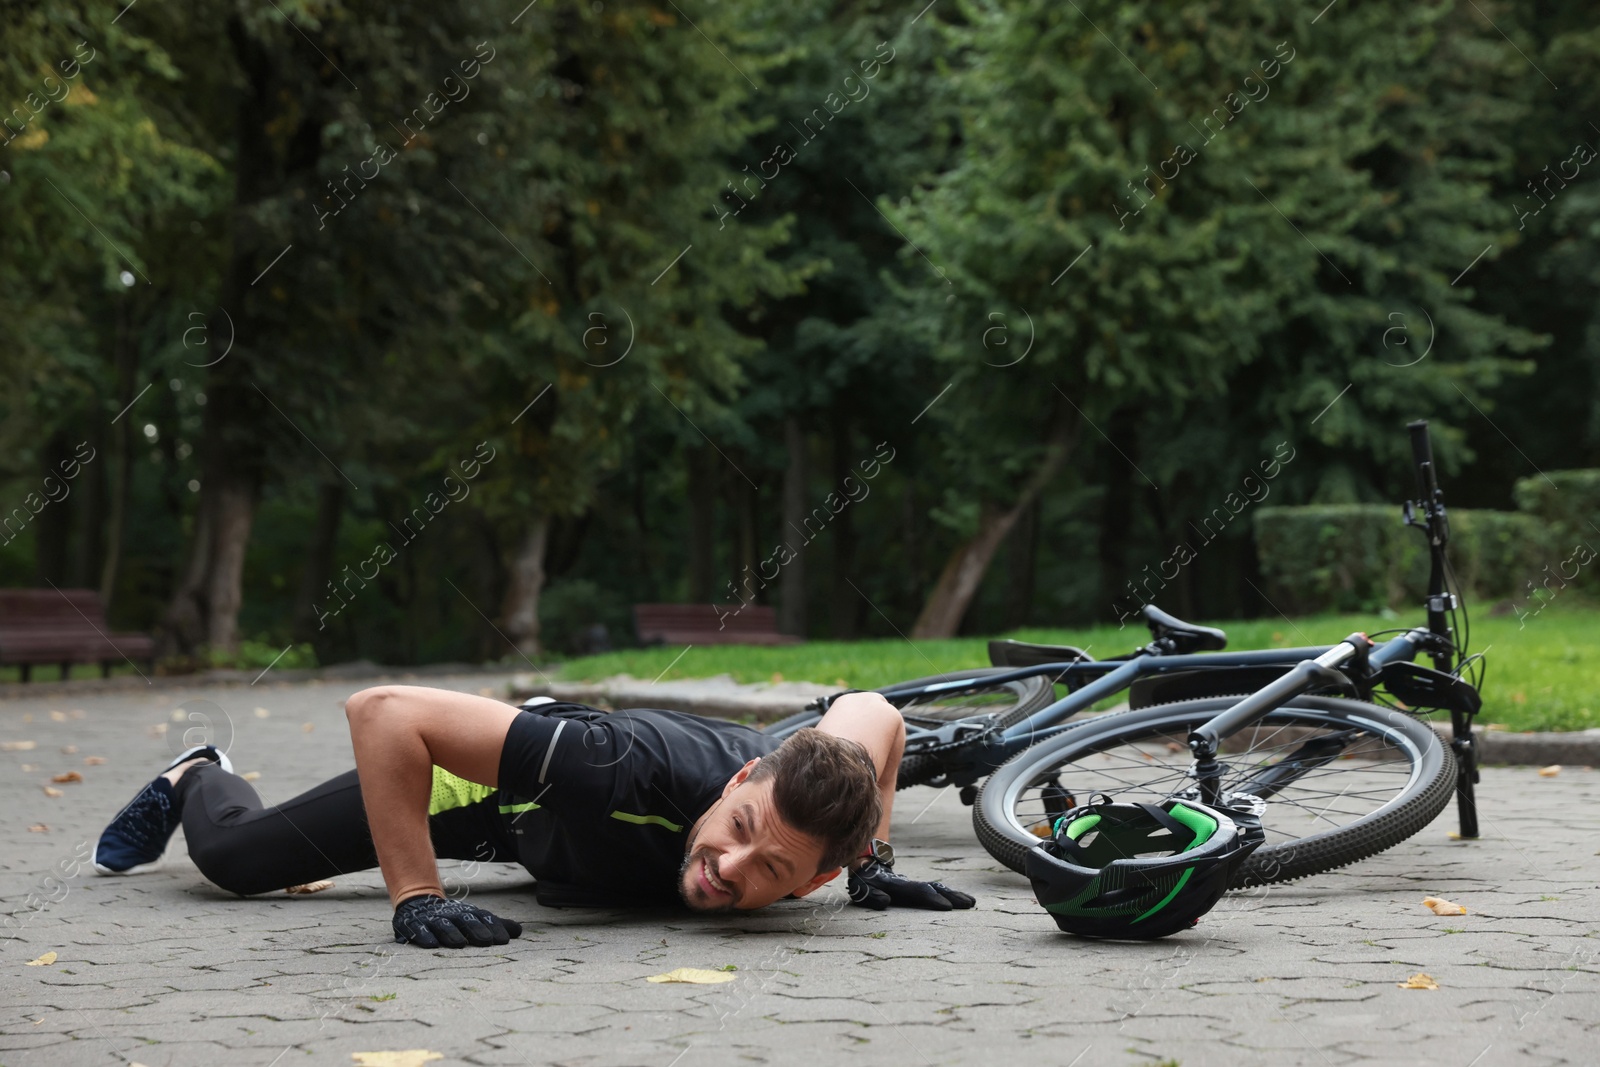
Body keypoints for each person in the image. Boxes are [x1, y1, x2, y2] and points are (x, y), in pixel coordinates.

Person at [93, 686, 976, 948]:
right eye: (738, 830)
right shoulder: (620, 772)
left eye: (772, 875)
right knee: (238, 860)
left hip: (557, 815)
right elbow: (382, 711)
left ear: (815, 874)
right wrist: (416, 896)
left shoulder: (822, 815)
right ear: (741, 778)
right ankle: (196, 771)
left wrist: (874, 866)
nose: (729, 869)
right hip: (492, 799)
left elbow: (875, 709)